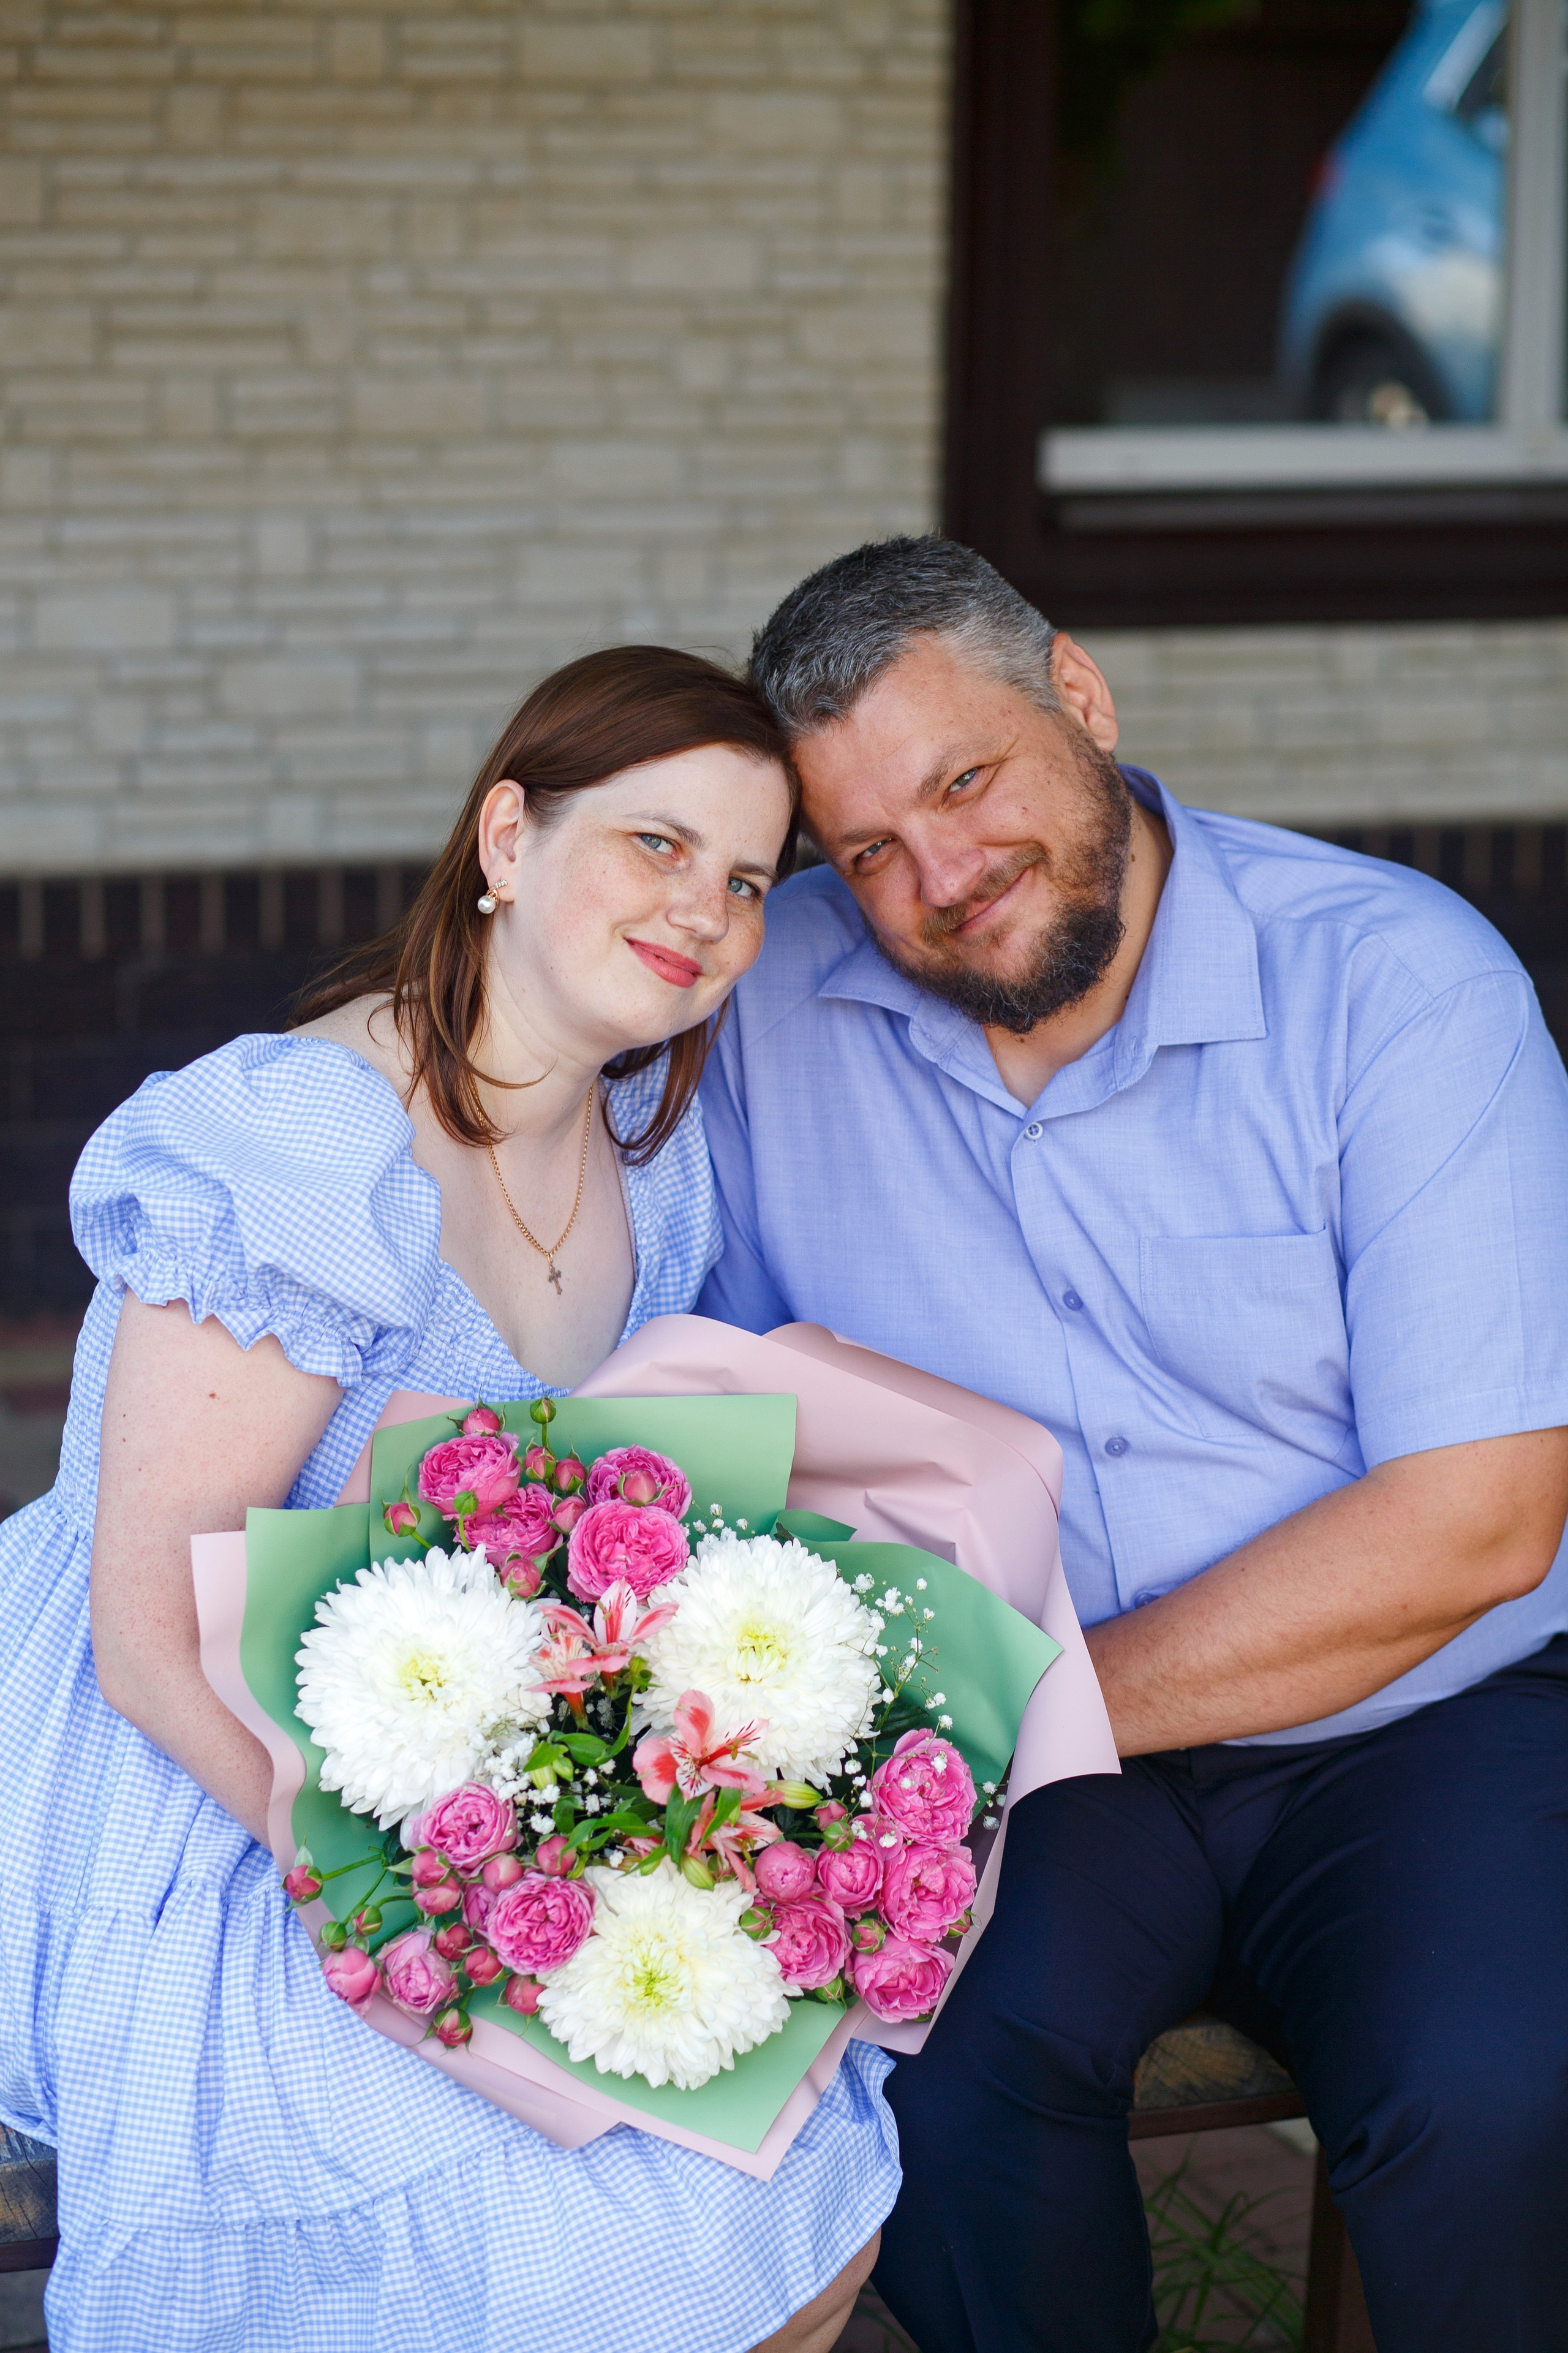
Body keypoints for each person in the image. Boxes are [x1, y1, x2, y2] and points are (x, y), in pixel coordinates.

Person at [697, 538, 1568, 2353]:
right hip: (1034, 1753)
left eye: (967, 780)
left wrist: (1025, 1703)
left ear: (1077, 701)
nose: (935, 875)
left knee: (1500, 2096)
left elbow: (1476, 1522)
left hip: (1416, 1719)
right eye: (863, 848)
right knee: (908, 2073)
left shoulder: (1396, 985)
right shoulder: (762, 1013)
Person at [0, 646, 895, 2353]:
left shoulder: (655, 1145)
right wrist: (431, 1924)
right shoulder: (299, 1146)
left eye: (745, 880)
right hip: (213, 1769)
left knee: (780, 2162)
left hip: (467, 1740)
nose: (702, 909)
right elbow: (147, 1644)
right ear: (507, 834)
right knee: (597, 2233)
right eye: (655, 843)